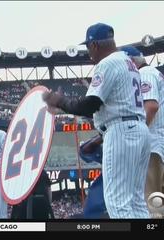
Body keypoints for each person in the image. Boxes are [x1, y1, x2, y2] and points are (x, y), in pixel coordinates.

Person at [43, 23, 150, 218]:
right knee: (136, 201)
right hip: (139, 130)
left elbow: (90, 104)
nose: (88, 53)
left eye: (88, 47)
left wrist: (60, 101)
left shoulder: (107, 63)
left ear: (95, 45)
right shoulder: (129, 63)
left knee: (117, 203)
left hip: (120, 132)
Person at [121, 46, 164, 212]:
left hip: (153, 145)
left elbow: (151, 106)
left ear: (131, 62)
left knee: (151, 203)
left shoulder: (145, 73)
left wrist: (135, 136)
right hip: (158, 143)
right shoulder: (154, 73)